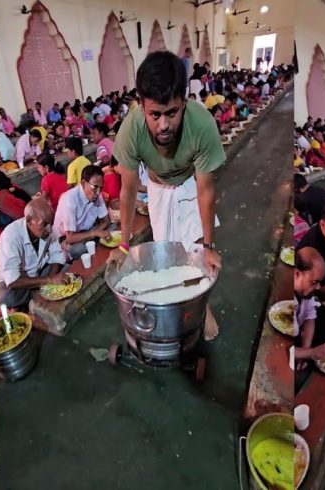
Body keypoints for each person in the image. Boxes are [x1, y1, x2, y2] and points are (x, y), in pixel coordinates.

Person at [109, 51, 225, 340]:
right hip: (158, 188)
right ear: (141, 105)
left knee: (195, 252)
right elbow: (128, 190)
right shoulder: (131, 131)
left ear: (184, 103)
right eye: (155, 114)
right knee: (168, 251)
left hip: (189, 184)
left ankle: (202, 307)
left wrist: (210, 244)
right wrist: (124, 245)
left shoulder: (201, 125)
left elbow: (206, 191)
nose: (163, 125)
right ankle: (175, 305)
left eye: (172, 113)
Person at [0, 199, 68, 311]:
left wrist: (49, 283)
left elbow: (57, 257)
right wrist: (49, 280)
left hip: (37, 274)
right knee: (6, 299)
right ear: (29, 220)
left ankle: (36, 294)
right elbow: (13, 281)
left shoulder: (47, 228)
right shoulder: (11, 236)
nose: (49, 230)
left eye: (51, 223)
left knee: (66, 268)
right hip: (15, 283)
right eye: (44, 224)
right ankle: (36, 296)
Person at [294, 247, 325, 392]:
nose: (317, 287)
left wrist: (307, 350)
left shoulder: (305, 292)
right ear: (297, 274)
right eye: (314, 282)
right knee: (300, 377)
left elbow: (310, 316)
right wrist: (311, 353)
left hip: (298, 337)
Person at [53, 165, 111, 261]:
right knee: (79, 250)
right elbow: (70, 238)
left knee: (111, 230)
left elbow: (107, 221)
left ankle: (94, 245)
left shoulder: (97, 194)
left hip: (86, 231)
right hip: (66, 237)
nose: (98, 192)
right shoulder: (70, 200)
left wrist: (94, 233)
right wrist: (95, 233)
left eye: (101, 188)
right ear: (84, 183)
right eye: (95, 187)